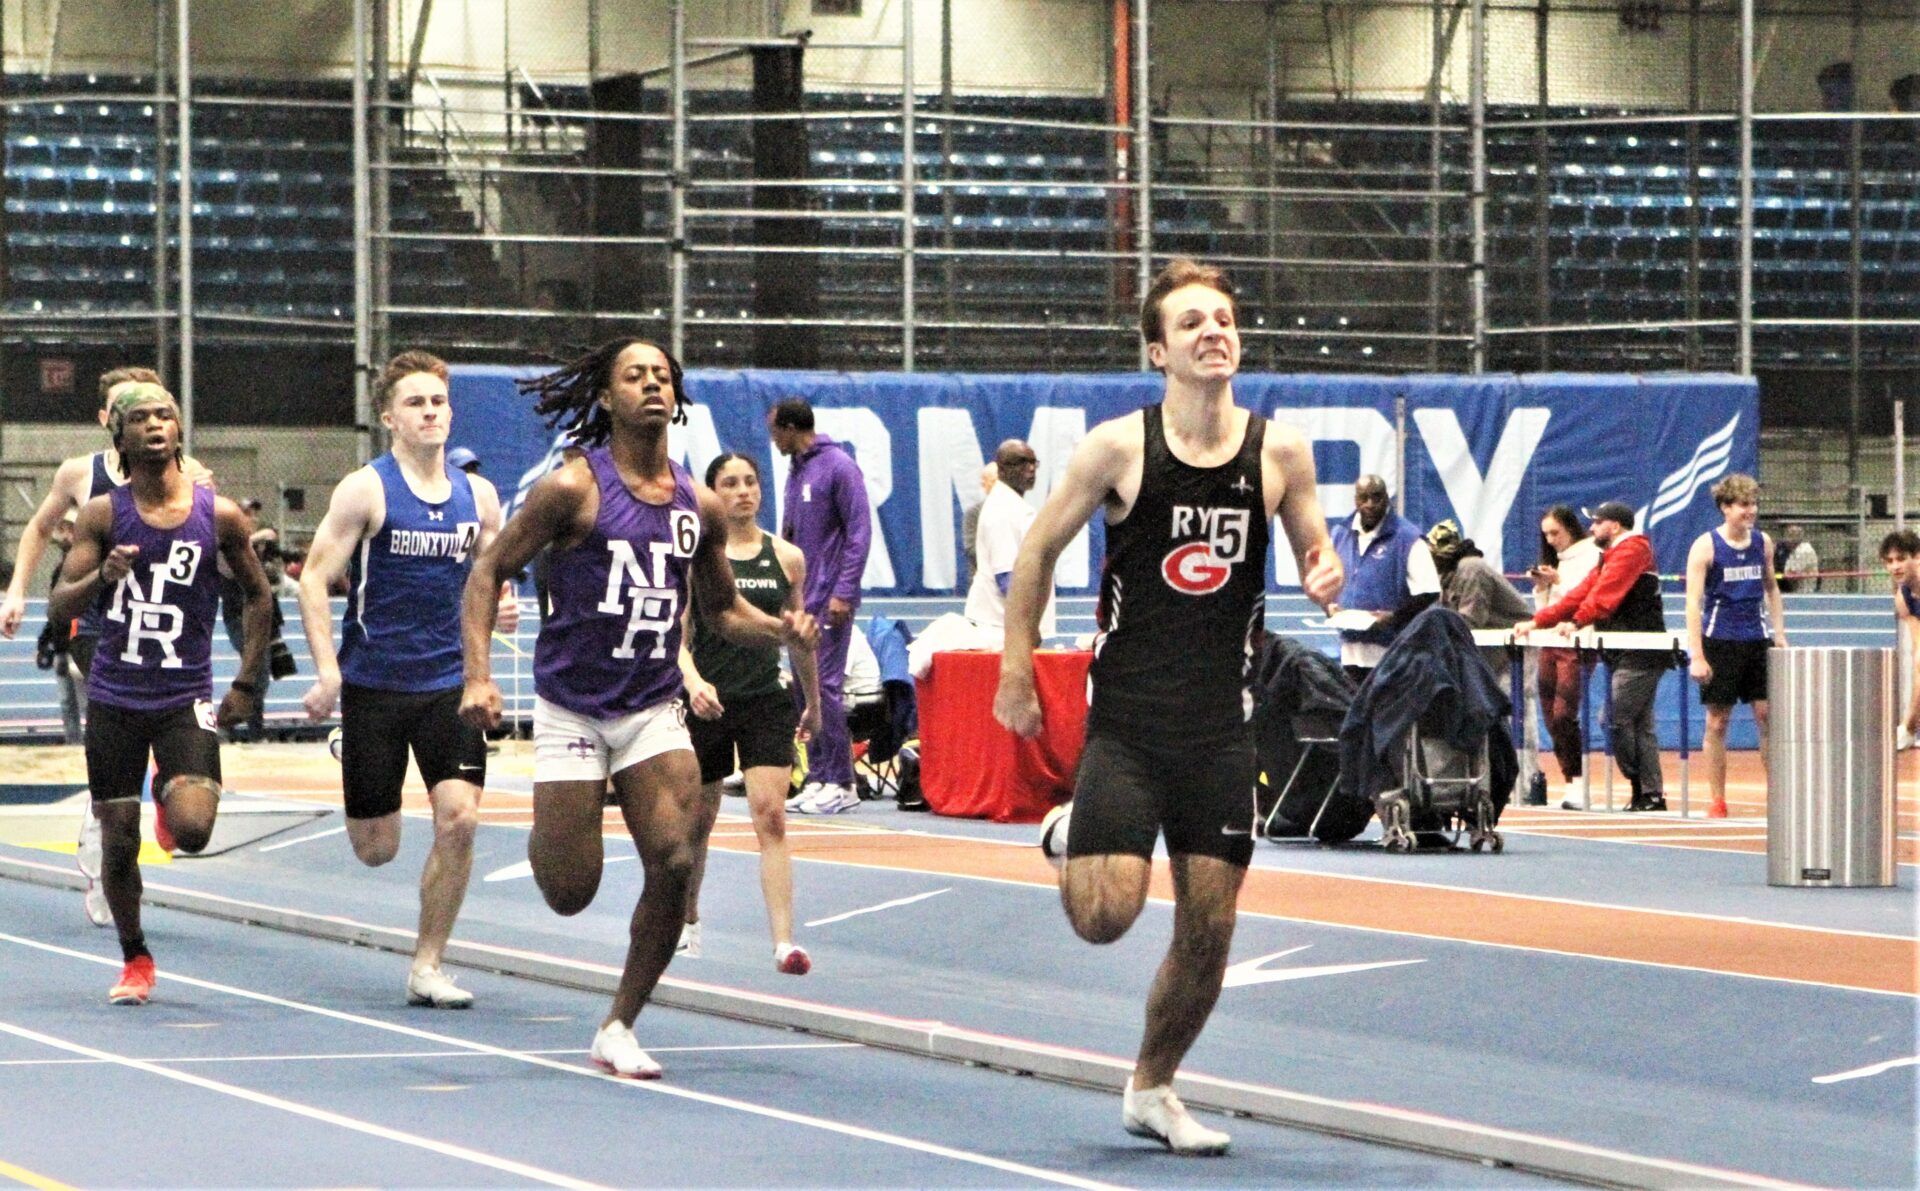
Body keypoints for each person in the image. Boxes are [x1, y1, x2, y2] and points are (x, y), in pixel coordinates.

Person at [994, 259, 1342, 1156]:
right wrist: (1017, 668)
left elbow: (1311, 539)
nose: (1212, 331)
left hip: (1221, 724)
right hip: (1131, 721)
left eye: (1223, 319)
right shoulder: (1117, 448)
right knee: (1105, 916)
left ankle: (1152, 1086)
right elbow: (1035, 551)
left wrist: (1321, 565)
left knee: (1210, 924)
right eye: (1191, 323)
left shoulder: (1279, 452)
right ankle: (1070, 830)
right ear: (1159, 350)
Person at [458, 337, 816, 1080]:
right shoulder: (572, 489)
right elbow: (490, 568)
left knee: (677, 857)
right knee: (568, 890)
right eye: (635, 375)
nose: (652, 384)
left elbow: (720, 610)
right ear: (607, 397)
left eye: (663, 376)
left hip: (652, 706)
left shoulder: (698, 504)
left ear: (675, 397)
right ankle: (555, 824)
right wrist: (479, 675)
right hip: (573, 706)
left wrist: (783, 628)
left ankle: (619, 1022)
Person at [297, 350, 518, 1008]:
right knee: (377, 847)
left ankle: (428, 963)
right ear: (390, 416)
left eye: (438, 402)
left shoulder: (478, 495)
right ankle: (354, 748)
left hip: (450, 684)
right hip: (375, 683)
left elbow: (488, 578)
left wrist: (499, 605)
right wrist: (329, 672)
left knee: (460, 819)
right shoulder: (365, 488)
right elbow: (312, 578)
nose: (430, 412)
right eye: (416, 403)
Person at [50, 382, 272, 1005]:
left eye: (165, 415)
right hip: (116, 697)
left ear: (179, 431)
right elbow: (58, 605)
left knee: (194, 829)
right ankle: (136, 956)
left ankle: (170, 796)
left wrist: (248, 684)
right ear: (118, 437)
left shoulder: (220, 515)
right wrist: (102, 575)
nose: (155, 425)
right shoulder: (101, 514)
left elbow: (259, 596)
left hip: (183, 696)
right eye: (140, 418)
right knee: (118, 844)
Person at [1, 366, 213, 920]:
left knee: (160, 724)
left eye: (156, 410)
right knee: (111, 717)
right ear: (108, 420)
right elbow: (39, 528)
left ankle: (168, 782)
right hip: (96, 623)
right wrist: (16, 591)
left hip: (162, 632)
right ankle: (104, 839)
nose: (145, 419)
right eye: (130, 410)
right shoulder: (79, 473)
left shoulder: (190, 473)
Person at [676, 452, 822, 972]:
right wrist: (692, 682)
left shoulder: (788, 558)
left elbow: (799, 639)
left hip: (765, 699)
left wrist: (815, 703)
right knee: (698, 821)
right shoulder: (697, 556)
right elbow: (679, 634)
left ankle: (784, 942)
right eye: (730, 484)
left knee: (773, 817)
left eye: (751, 482)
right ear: (713, 494)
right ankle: (687, 919)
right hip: (708, 701)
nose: (743, 492)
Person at [1516, 501, 1671, 812]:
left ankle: (1644, 787)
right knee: (1640, 725)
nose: (1591, 528)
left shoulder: (1632, 550)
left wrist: (1575, 621)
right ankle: (1649, 794)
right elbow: (1581, 594)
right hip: (1622, 649)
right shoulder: (1611, 556)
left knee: (1613, 718)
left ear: (1614, 526)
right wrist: (1539, 620)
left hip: (1641, 650)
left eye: (1597, 523)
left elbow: (1604, 597)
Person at [769, 397, 871, 816]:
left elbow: (859, 532)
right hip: (799, 600)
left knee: (825, 687)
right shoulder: (797, 470)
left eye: (775, 430)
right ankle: (818, 775)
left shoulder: (839, 467)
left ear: (792, 428)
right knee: (804, 690)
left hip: (828, 599)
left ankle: (842, 781)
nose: (772, 439)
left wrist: (843, 591)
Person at [1685, 474, 1787, 820]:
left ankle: (1780, 798)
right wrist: (1697, 654)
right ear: (1725, 508)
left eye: (1754, 504)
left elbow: (1771, 588)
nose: (1751, 511)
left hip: (1757, 640)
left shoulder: (1763, 543)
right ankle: (1717, 799)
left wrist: (1780, 632)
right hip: (1720, 641)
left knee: (1768, 715)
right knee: (1717, 722)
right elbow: (1692, 603)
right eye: (1744, 505)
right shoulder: (1706, 546)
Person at [1426, 519, 1542, 804]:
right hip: (1487, 654)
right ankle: (1499, 779)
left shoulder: (1470, 570)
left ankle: (1526, 784)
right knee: (1494, 714)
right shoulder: (1448, 575)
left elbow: (1468, 620)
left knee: (1516, 711)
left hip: (1515, 650)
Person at [1328, 473, 1439, 686]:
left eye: (1376, 497)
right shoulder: (1340, 533)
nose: (1370, 504)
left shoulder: (1408, 538)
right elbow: (1332, 581)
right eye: (1364, 498)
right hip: (1350, 650)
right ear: (1355, 500)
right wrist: (1329, 606)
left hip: (1392, 650)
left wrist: (1394, 617)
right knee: (1355, 714)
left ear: (1387, 498)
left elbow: (1429, 591)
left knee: (1387, 715)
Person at [1529, 505, 1601, 800]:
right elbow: (1546, 611)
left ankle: (1579, 781)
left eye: (1555, 533)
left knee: (1563, 715)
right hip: (1551, 642)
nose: (1550, 540)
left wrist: (1559, 582)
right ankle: (1570, 781)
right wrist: (1541, 588)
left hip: (1578, 643)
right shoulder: (1557, 561)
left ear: (1571, 528)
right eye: (1546, 535)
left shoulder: (1591, 555)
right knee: (1549, 714)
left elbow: (1585, 597)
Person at [964, 439, 1055, 636]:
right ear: (1002, 470)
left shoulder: (1012, 506)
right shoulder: (1002, 510)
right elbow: (1007, 577)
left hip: (1004, 625)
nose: (1031, 469)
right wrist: (1028, 625)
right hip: (999, 629)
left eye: (1033, 462)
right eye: (1022, 462)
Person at [1879, 529, 1920, 745]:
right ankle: (1908, 729)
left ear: (1917, 557)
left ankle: (1908, 728)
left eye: (1901, 559)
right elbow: (1917, 641)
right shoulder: (1902, 598)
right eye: (1890, 561)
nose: (1895, 566)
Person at [961, 460, 997, 587]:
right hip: (982, 583)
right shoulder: (973, 514)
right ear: (984, 484)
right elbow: (971, 549)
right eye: (993, 481)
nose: (998, 485)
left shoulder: (1019, 511)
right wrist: (1003, 561)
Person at [1775, 523, 1819, 593]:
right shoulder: (1793, 551)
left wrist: (1777, 576)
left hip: (1804, 593)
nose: (1785, 540)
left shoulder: (1804, 550)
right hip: (1796, 591)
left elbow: (1792, 574)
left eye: (1789, 536)